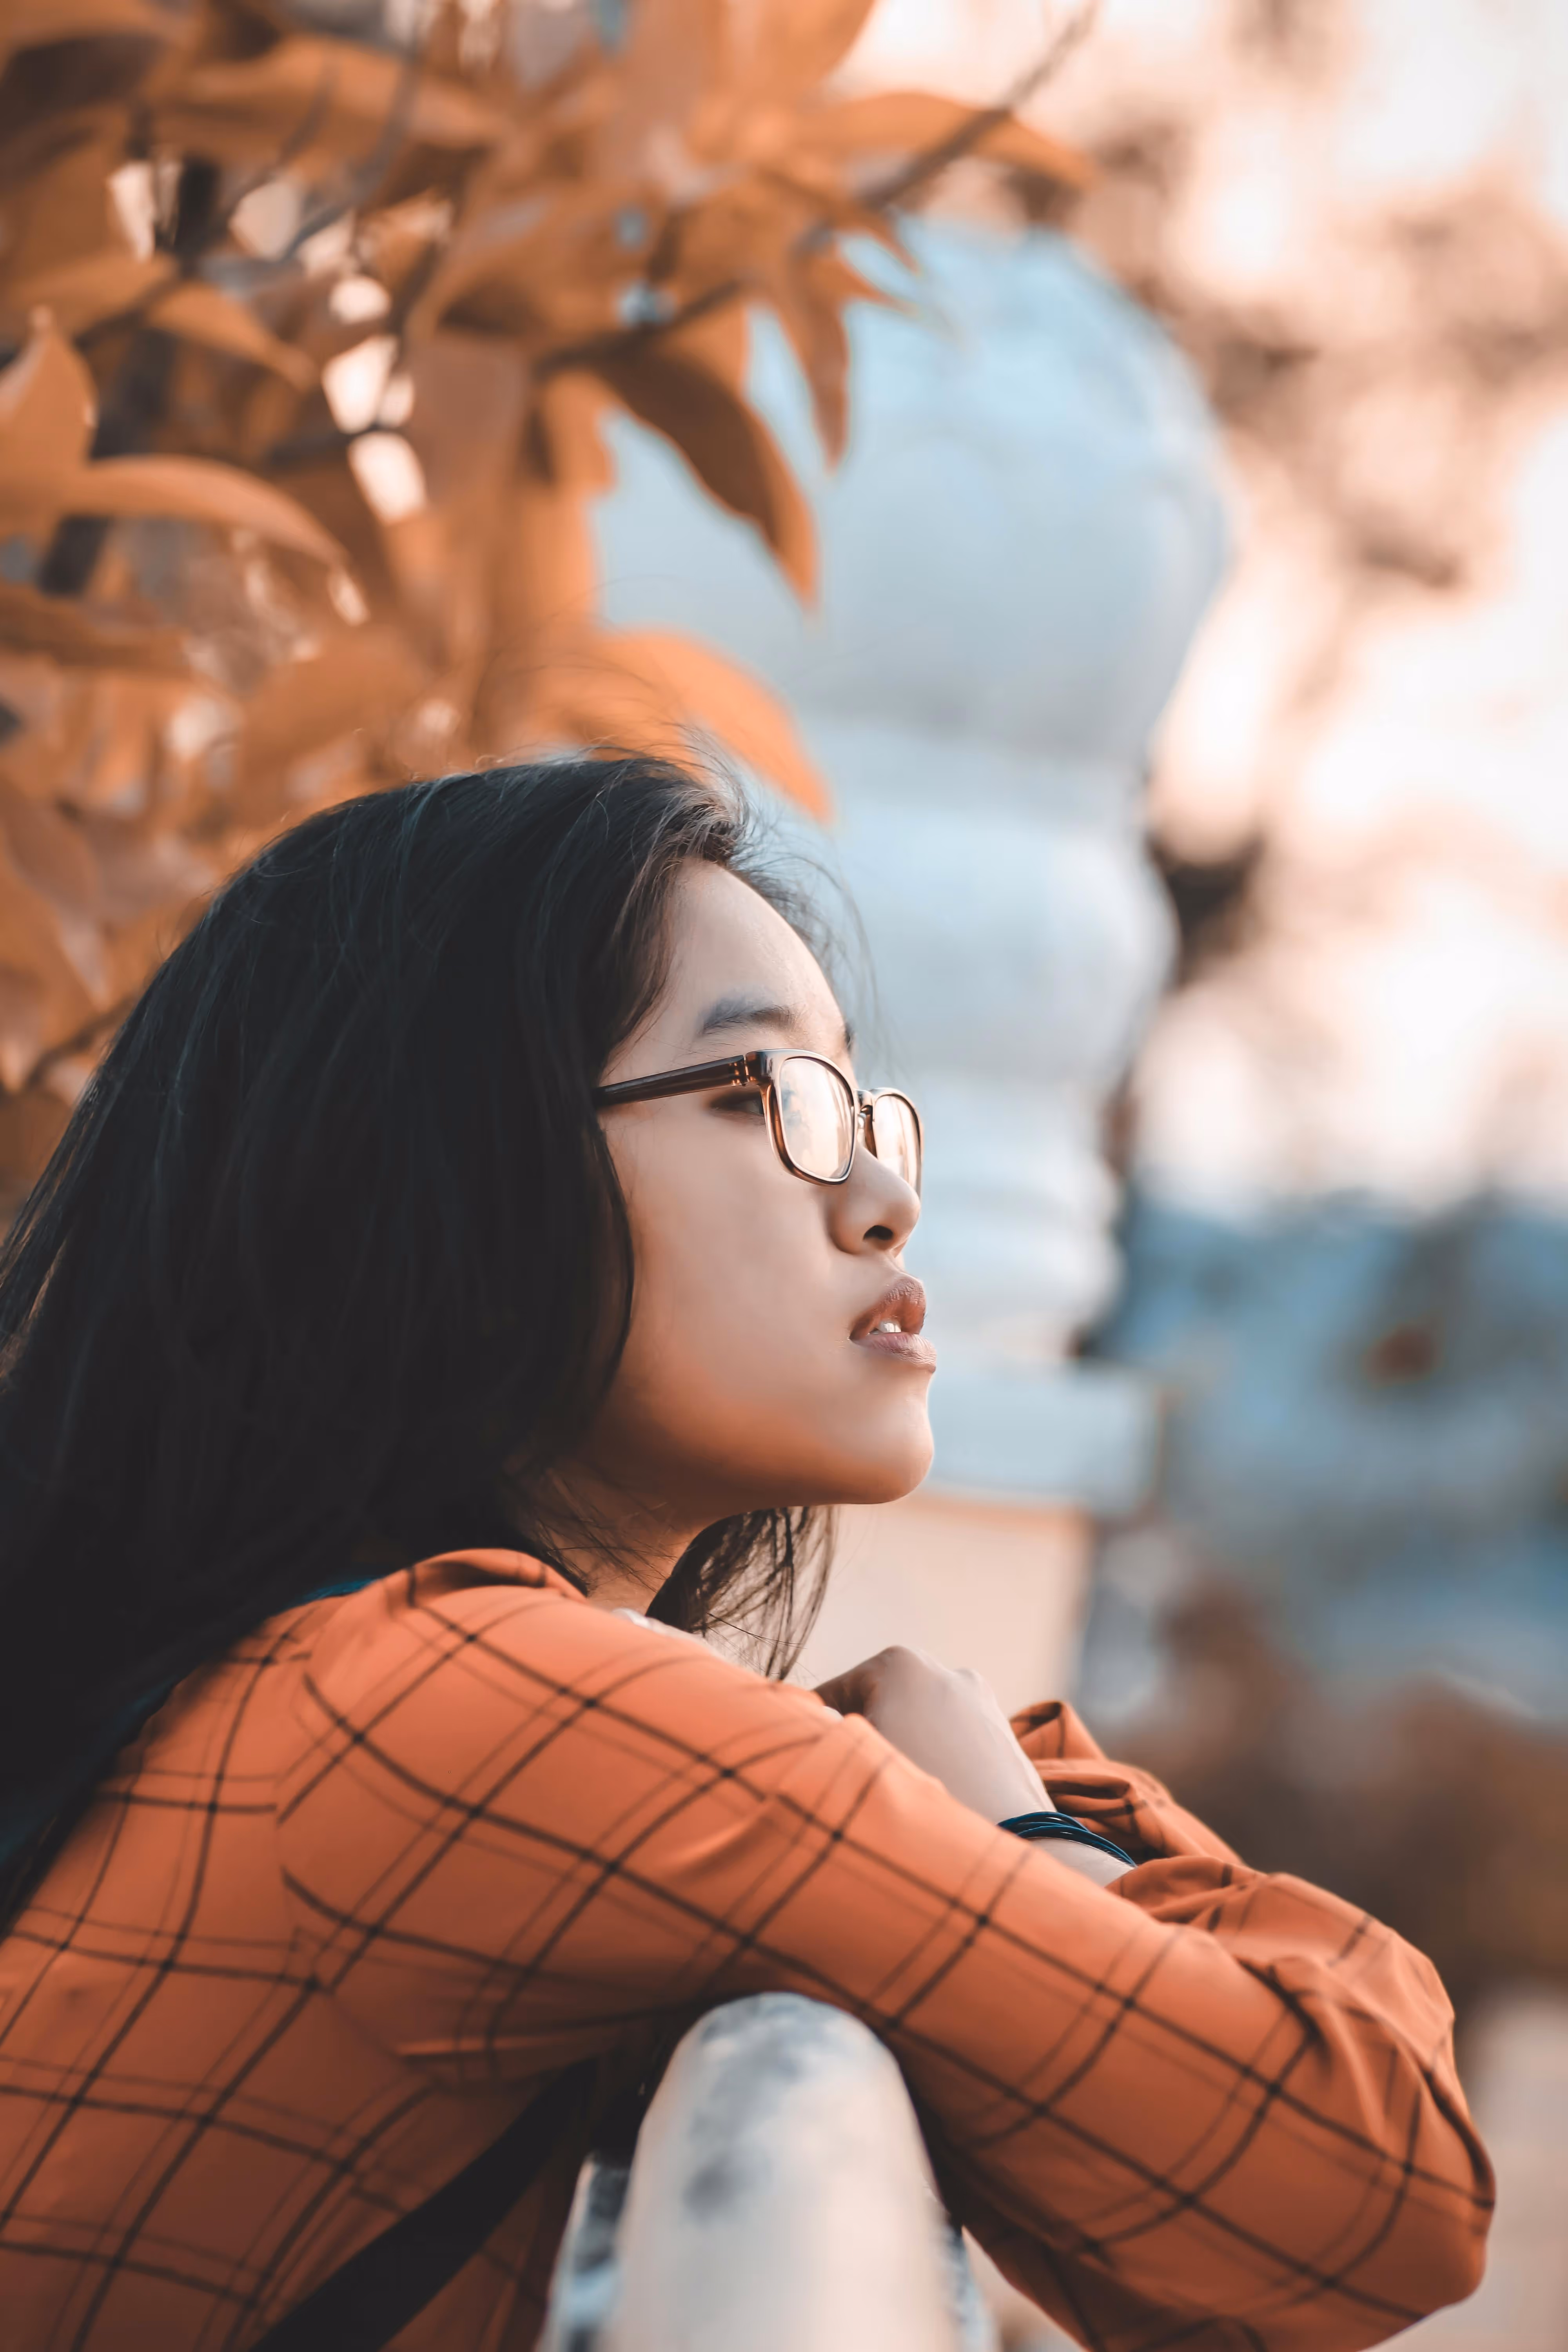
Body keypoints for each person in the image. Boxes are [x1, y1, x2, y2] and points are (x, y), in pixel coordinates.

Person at [0, 758, 1489, 2350]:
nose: (878, 1196)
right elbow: (1366, 2180)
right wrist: (1025, 1818)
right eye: (757, 1096)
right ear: (452, 1171)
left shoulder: (323, 1685)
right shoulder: (475, 1707)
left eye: (857, 1106)